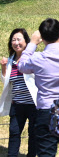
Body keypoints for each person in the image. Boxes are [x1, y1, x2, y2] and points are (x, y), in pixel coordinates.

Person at [18, 19, 59, 157]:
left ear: (41, 36)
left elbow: (21, 65)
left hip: (45, 111)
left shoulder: (36, 58)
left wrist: (32, 43)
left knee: (46, 153)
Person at [1, 29, 38, 157]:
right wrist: (4, 67)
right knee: (14, 133)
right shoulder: (11, 60)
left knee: (33, 134)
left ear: (26, 42)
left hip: (34, 104)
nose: (16, 43)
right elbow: (6, 81)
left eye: (19, 39)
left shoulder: (34, 58)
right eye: (13, 40)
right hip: (17, 104)